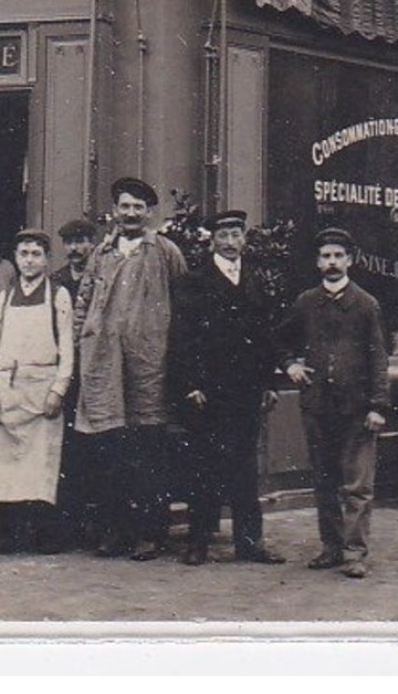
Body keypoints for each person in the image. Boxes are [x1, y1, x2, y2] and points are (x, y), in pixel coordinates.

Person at [73, 177, 187, 561]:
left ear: (150, 213)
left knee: (148, 452)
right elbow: (83, 299)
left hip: (148, 366)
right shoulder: (102, 253)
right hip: (105, 364)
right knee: (109, 452)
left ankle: (151, 534)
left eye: (139, 207)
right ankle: (114, 532)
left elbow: (184, 307)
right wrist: (82, 342)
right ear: (115, 211)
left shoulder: (166, 252)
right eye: (125, 206)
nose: (132, 214)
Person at [170, 209, 285, 567]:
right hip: (208, 392)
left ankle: (250, 543)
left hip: (246, 391)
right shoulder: (196, 280)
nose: (231, 242)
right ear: (213, 240)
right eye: (224, 236)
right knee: (204, 466)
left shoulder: (255, 279)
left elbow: (267, 336)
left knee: (245, 468)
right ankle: (198, 542)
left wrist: (269, 382)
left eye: (237, 235)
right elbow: (182, 337)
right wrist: (190, 384)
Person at [279, 227, 390, 579]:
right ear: (317, 262)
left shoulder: (366, 305)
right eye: (326, 256)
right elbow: (279, 339)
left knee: (357, 485)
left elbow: (379, 359)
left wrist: (378, 405)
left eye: (338, 256)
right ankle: (331, 546)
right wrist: (290, 365)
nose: (332, 262)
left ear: (350, 261)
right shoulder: (305, 302)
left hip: (357, 409)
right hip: (318, 407)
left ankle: (355, 552)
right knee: (324, 481)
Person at [0, 230, 75, 555]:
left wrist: (58, 389)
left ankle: (42, 533)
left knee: (41, 465)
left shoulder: (58, 295)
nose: (29, 260)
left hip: (42, 388)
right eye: (23, 254)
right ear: (16, 258)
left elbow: (67, 346)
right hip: (9, 388)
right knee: (9, 465)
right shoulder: (5, 297)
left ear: (47, 259)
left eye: (36, 254)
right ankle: (10, 533)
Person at [49, 217, 99, 549]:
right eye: (70, 243)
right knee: (66, 451)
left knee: (94, 449)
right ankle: (66, 526)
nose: (76, 249)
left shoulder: (101, 278)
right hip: (66, 374)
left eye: (82, 241)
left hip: (95, 373)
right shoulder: (56, 282)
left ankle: (95, 526)